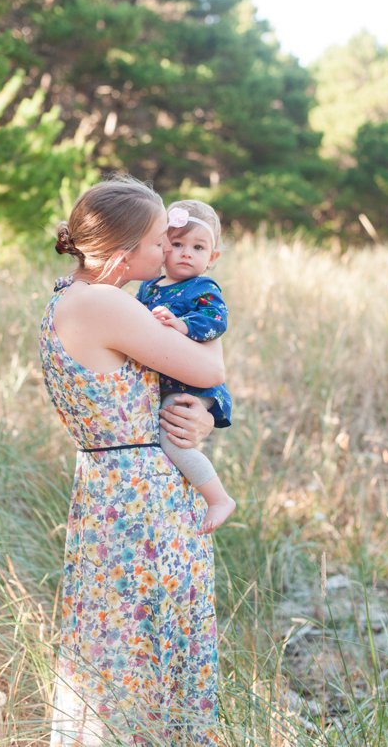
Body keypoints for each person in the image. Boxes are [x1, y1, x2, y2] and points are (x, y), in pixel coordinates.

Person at [40, 176, 224, 744]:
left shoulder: (74, 297)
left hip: (115, 487)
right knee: (144, 637)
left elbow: (150, 394)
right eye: (156, 243)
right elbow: (208, 369)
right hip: (139, 500)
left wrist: (202, 418)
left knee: (118, 634)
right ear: (123, 255)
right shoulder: (103, 304)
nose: (167, 253)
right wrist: (213, 301)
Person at [137, 199, 236, 535]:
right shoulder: (148, 288)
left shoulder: (203, 289)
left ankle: (218, 497)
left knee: (171, 437)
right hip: (168, 380)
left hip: (194, 387)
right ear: (163, 245)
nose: (185, 253)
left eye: (197, 247)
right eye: (177, 244)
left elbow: (216, 321)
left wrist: (183, 325)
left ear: (212, 258)